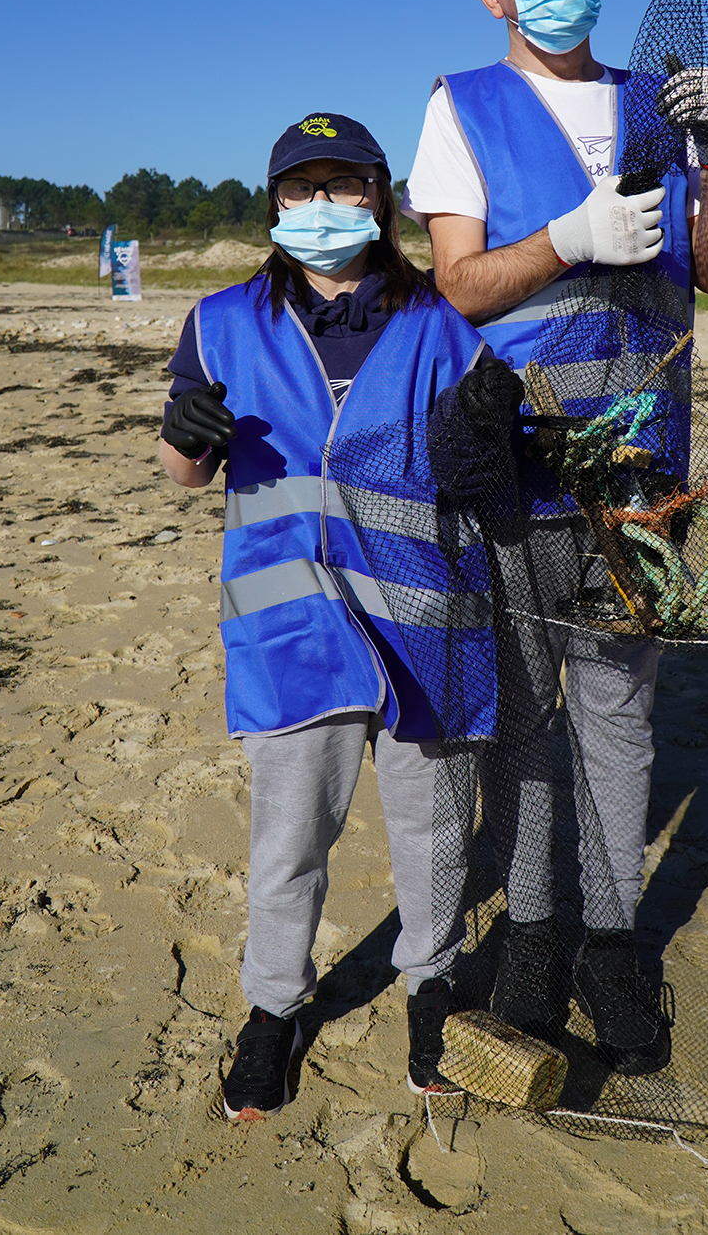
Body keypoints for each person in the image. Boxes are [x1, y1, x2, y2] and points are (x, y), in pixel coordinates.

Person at [402, 0, 708, 1072]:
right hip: (516, 467)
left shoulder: (655, 104)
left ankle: (609, 943)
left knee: (617, 718)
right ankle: (533, 936)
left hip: (639, 476)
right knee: (526, 720)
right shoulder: (464, 108)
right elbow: (457, 283)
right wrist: (569, 238)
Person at [158, 111, 511, 1118]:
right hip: (289, 635)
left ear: (379, 196)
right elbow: (187, 474)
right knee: (286, 846)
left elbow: (486, 480)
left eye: (342, 186)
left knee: (436, 841)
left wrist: (497, 437)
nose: (322, 207)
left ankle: (430, 995)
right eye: (300, 189)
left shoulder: (443, 322)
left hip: (425, 630)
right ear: (274, 207)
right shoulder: (223, 321)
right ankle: (273, 1012)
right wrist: (183, 436)